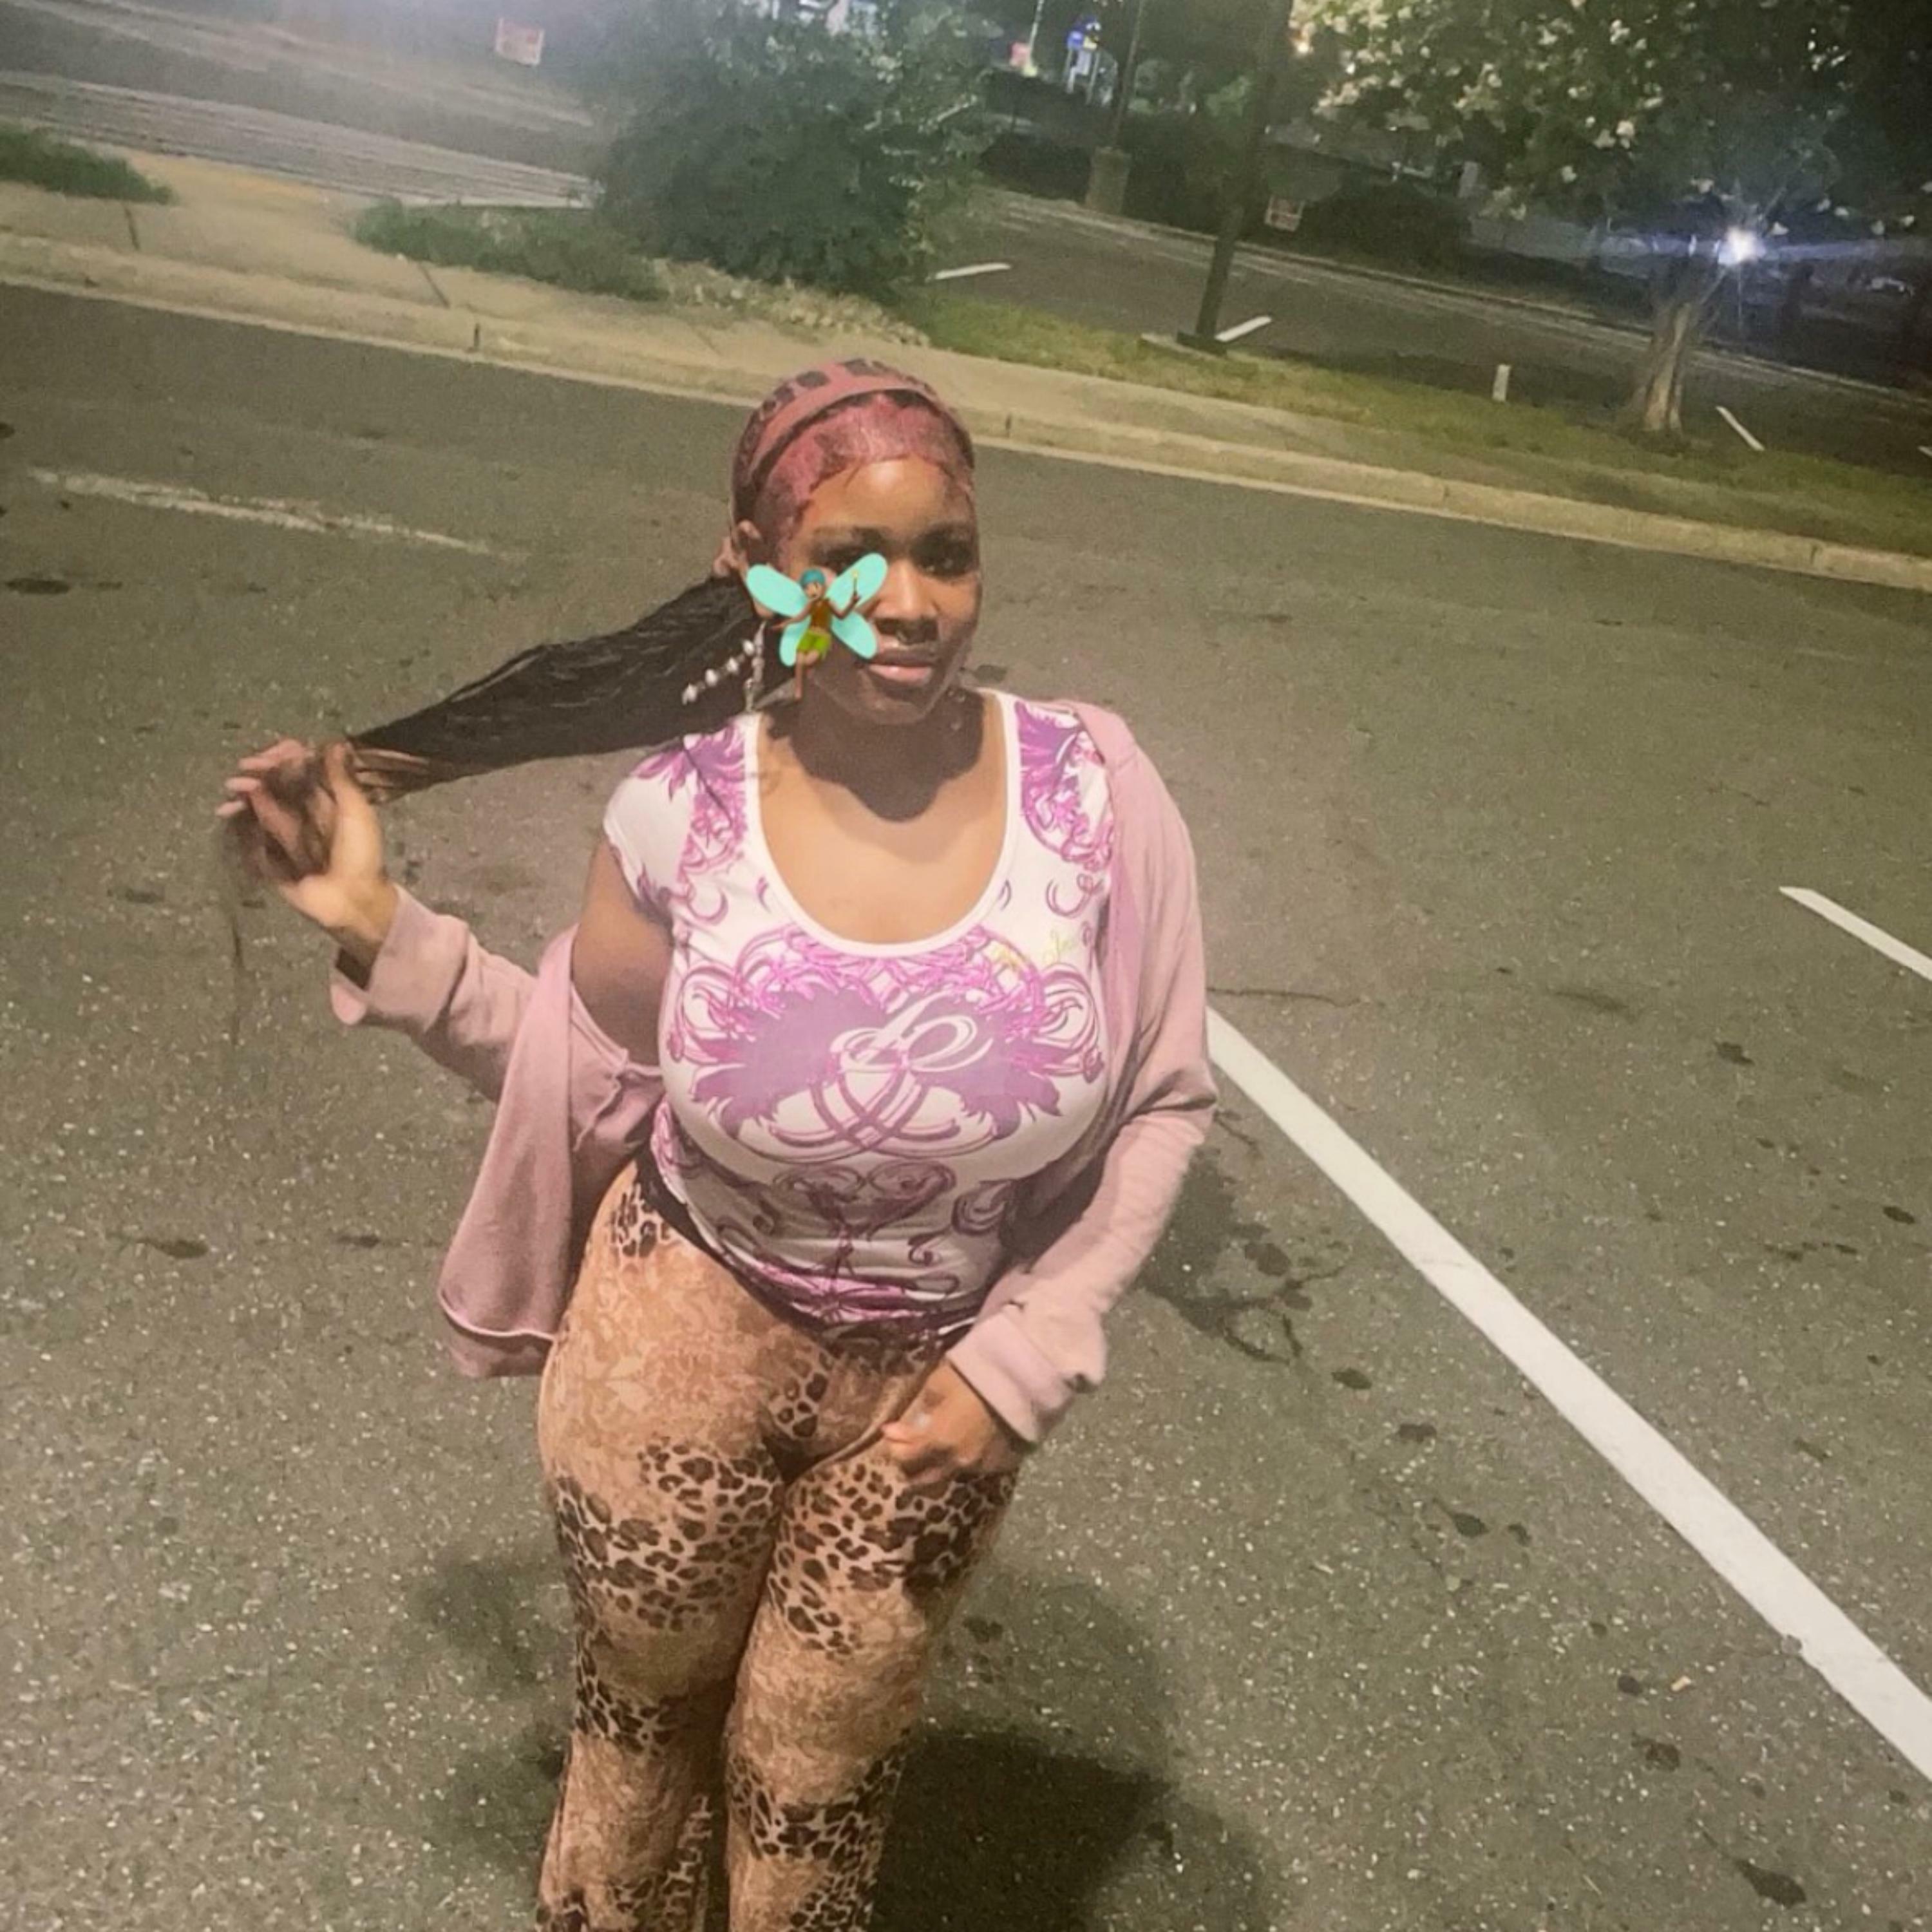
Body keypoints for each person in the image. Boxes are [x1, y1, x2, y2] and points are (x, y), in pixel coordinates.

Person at [220, 360, 1215, 1931]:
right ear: (756, 568)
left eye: (946, 555)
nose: (908, 606)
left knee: (817, 1781)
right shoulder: (682, 809)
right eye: (848, 562)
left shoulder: (1095, 793)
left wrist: (1032, 1351)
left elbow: (1162, 1098)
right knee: (638, 1738)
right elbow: (585, 1074)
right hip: (673, 1349)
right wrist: (379, 928)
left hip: (930, 1386)